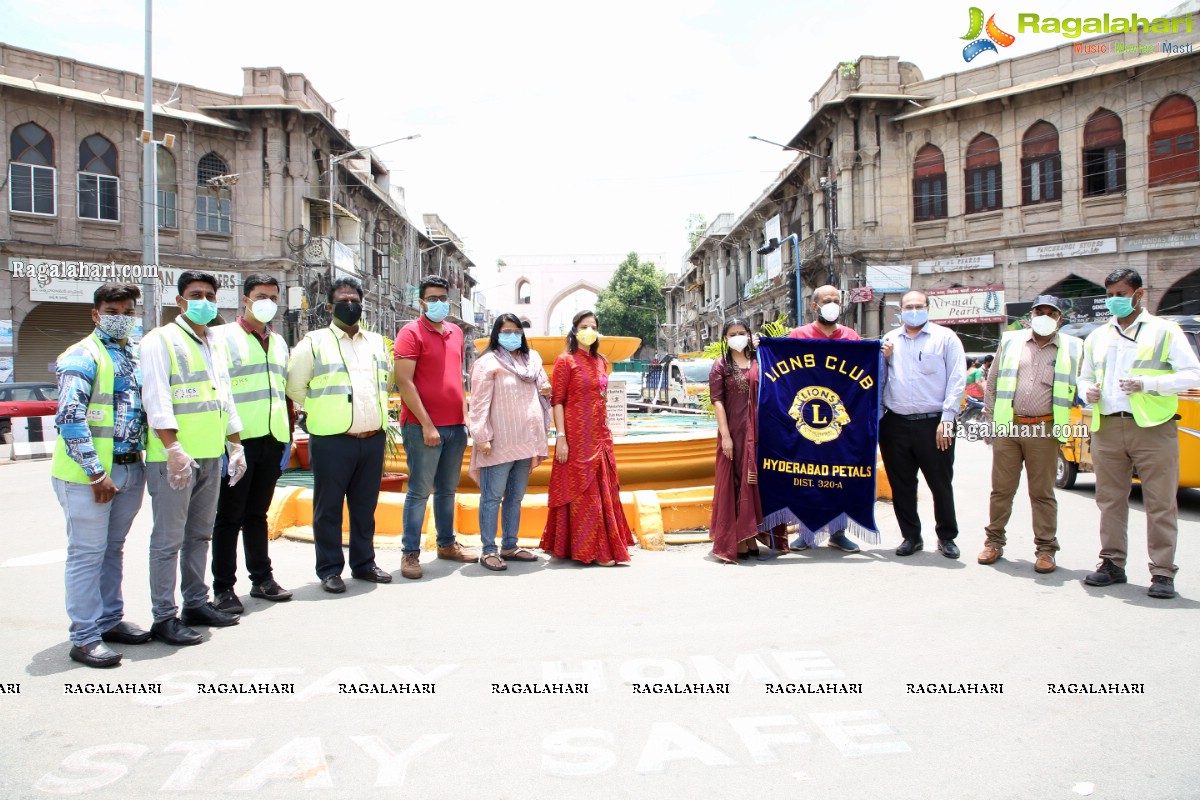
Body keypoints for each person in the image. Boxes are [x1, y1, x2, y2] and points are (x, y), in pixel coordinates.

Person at [1078, 268, 1200, 599]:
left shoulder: (1165, 331)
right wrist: (1086, 391)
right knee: (1109, 501)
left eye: (1121, 293)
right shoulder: (1098, 336)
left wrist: (1149, 384)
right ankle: (1112, 564)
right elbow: (1084, 377)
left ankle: (1162, 572)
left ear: (1138, 294)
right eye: (1110, 295)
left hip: (1152, 427)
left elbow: (1193, 374)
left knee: (1160, 501)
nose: (1115, 300)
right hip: (1107, 426)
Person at [141, 271, 247, 645]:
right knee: (168, 540)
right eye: (195, 294)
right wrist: (172, 449)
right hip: (174, 458)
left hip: (210, 453)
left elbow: (225, 397)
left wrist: (235, 444)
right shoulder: (160, 340)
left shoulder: (214, 341)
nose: (203, 300)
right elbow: (157, 399)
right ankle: (163, 616)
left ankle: (196, 603)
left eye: (209, 295)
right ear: (180, 300)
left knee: (199, 535)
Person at [51, 283, 151, 667]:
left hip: (129, 466)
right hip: (88, 475)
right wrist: (96, 473)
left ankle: (110, 620)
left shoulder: (135, 355)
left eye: (128, 312)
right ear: (96, 314)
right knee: (86, 554)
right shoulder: (81, 355)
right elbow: (70, 419)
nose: (121, 318)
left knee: (112, 550)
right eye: (113, 311)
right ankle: (84, 636)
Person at [286, 276, 393, 593]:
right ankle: (330, 569)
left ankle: (364, 564)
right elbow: (295, 387)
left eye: (355, 300)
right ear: (330, 307)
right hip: (332, 439)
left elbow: (383, 385)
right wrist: (325, 410)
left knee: (365, 508)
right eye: (343, 300)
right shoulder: (313, 343)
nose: (351, 305)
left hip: (372, 438)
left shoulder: (376, 343)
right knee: (328, 508)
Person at [977, 295, 1082, 573]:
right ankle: (994, 542)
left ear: (1060, 318)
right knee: (1001, 490)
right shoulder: (1011, 341)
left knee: (1042, 493)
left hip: (1045, 429)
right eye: (1040, 311)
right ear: (1031, 315)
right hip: (1008, 427)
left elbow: (1081, 387)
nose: (1045, 316)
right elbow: (993, 382)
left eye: (1051, 312)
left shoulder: (1073, 348)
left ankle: (1046, 549)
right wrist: (990, 422)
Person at [209, 274, 293, 612]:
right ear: (245, 299)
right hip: (238, 441)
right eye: (261, 295)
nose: (267, 302)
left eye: (273, 297)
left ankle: (262, 578)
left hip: (273, 440)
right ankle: (223, 588)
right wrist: (231, 441)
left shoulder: (279, 341)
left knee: (258, 514)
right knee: (229, 517)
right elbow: (220, 392)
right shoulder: (222, 338)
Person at [394, 275, 479, 579]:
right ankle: (410, 553)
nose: (439, 303)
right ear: (421, 302)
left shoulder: (455, 332)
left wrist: (465, 415)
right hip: (422, 427)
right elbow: (403, 381)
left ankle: (446, 544)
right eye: (432, 298)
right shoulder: (410, 333)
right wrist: (427, 424)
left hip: (454, 427)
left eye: (443, 298)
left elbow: (457, 377)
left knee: (447, 490)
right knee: (419, 491)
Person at [540, 310, 635, 565]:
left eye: (593, 327)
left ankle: (606, 545)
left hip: (600, 432)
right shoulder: (565, 360)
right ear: (575, 330)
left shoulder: (601, 361)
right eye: (584, 326)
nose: (589, 331)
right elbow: (558, 401)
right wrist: (560, 437)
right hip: (575, 432)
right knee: (583, 490)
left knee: (604, 487)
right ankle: (589, 549)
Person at [879, 289, 967, 559]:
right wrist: (882, 358)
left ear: (928, 308)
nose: (913, 310)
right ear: (900, 310)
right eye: (908, 306)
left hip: (935, 424)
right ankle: (911, 536)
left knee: (940, 484)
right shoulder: (889, 340)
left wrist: (948, 420)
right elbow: (879, 380)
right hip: (894, 423)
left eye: (919, 305)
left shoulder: (945, 338)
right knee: (901, 484)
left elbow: (957, 379)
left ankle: (947, 537)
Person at [468, 314, 551, 571]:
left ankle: (510, 545)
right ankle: (488, 550)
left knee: (515, 497)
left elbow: (544, 385)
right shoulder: (487, 362)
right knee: (492, 497)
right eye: (506, 331)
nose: (512, 336)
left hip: (526, 440)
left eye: (517, 331)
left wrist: (547, 389)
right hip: (499, 441)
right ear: (497, 333)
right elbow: (479, 403)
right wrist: (481, 436)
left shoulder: (532, 359)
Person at [786, 284, 863, 554]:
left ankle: (838, 532)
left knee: (839, 476)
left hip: (840, 422)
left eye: (836, 300)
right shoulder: (798, 335)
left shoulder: (851, 337)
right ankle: (805, 533)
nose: (832, 304)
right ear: (814, 305)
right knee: (806, 476)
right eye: (826, 300)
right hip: (807, 420)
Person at [708, 318, 788, 564]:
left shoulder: (760, 361)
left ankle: (753, 535)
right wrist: (726, 436)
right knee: (735, 482)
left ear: (750, 334)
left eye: (742, 332)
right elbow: (718, 401)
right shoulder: (721, 365)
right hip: (735, 432)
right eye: (732, 333)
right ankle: (738, 539)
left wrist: (766, 346)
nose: (737, 336)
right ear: (725, 338)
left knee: (759, 482)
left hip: (761, 432)